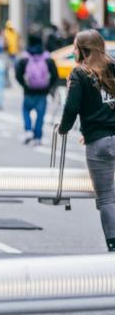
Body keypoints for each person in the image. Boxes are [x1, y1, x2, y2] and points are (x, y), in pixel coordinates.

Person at [59, 30, 115, 251]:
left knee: (107, 198)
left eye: (74, 47)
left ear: (83, 49)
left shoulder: (80, 74)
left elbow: (72, 107)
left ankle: (113, 243)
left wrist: (63, 129)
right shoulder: (113, 67)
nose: (73, 51)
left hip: (99, 142)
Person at [15, 35, 58, 145]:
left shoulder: (25, 58)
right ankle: (38, 137)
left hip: (28, 91)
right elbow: (55, 75)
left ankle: (28, 130)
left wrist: (24, 85)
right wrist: (48, 86)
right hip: (43, 92)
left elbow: (18, 74)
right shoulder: (47, 58)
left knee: (26, 111)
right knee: (40, 115)